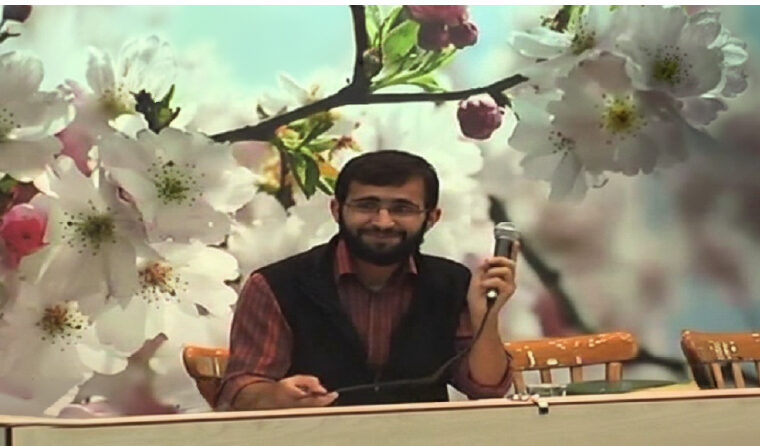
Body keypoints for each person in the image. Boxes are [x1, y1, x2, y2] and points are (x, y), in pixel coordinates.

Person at [216, 150, 517, 410]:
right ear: (336, 210)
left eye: (402, 208)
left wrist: (486, 317)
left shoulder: (452, 282)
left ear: (431, 218)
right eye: (366, 205)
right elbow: (240, 393)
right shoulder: (276, 285)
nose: (383, 222)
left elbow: (486, 388)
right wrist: (277, 396)